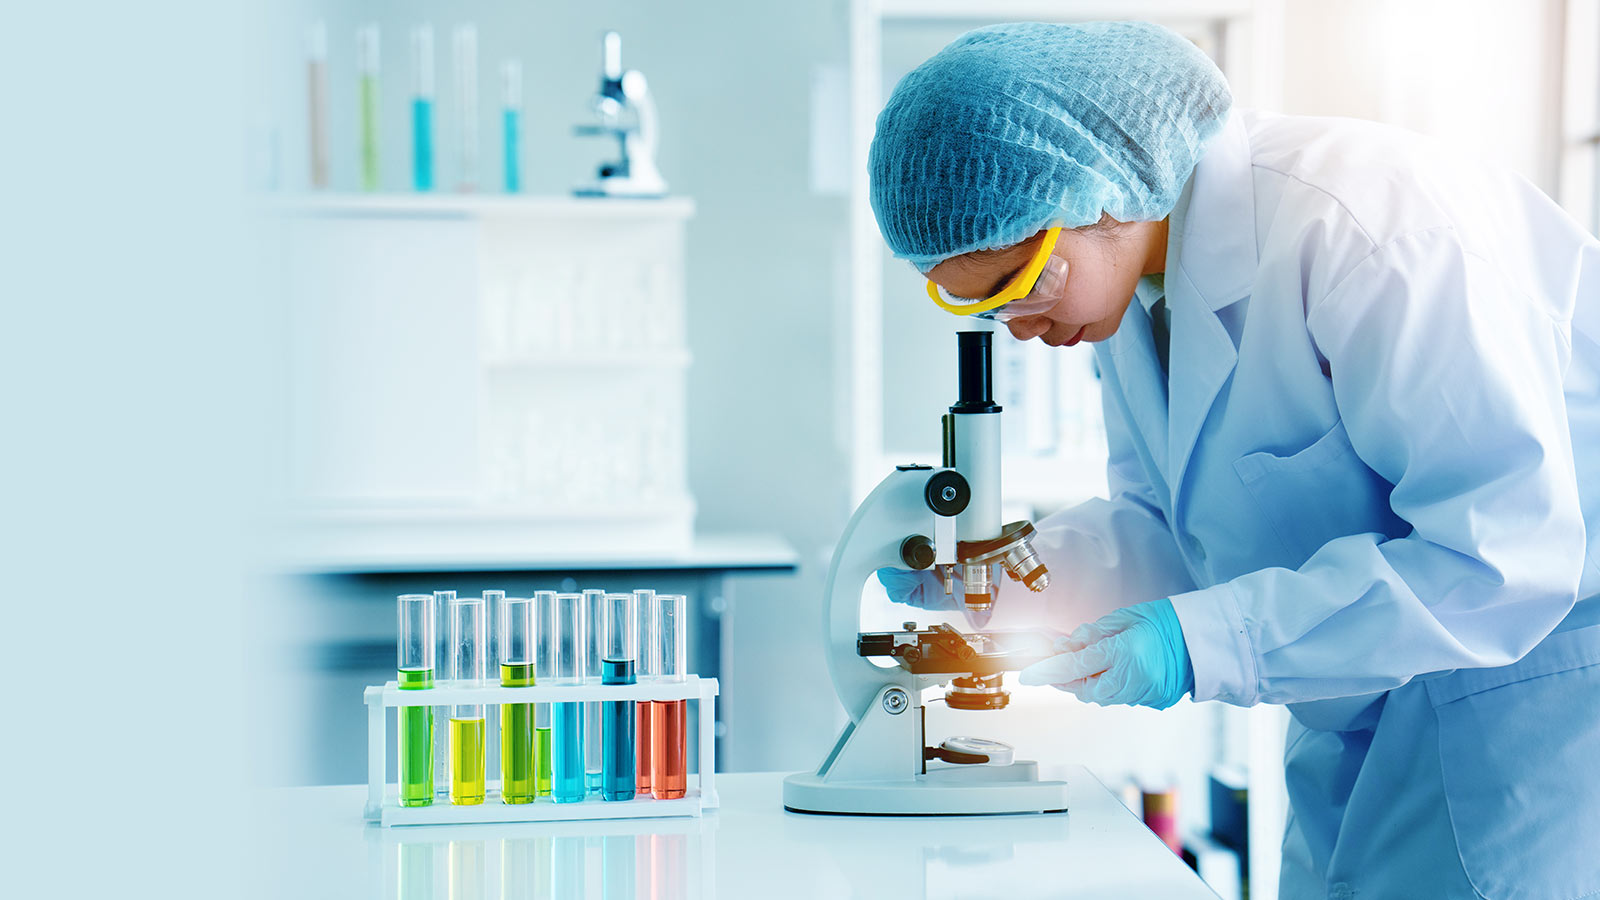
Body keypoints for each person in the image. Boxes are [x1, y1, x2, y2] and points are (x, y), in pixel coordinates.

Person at [869, 21, 1600, 900]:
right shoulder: (1132, 289)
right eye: (976, 304)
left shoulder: (1369, 232)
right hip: (1365, 700)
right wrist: (1023, 575)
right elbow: (1176, 522)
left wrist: (1196, 642)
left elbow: (1497, 558)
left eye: (1018, 286)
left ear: (1097, 195)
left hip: (1530, 701)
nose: (1016, 326)